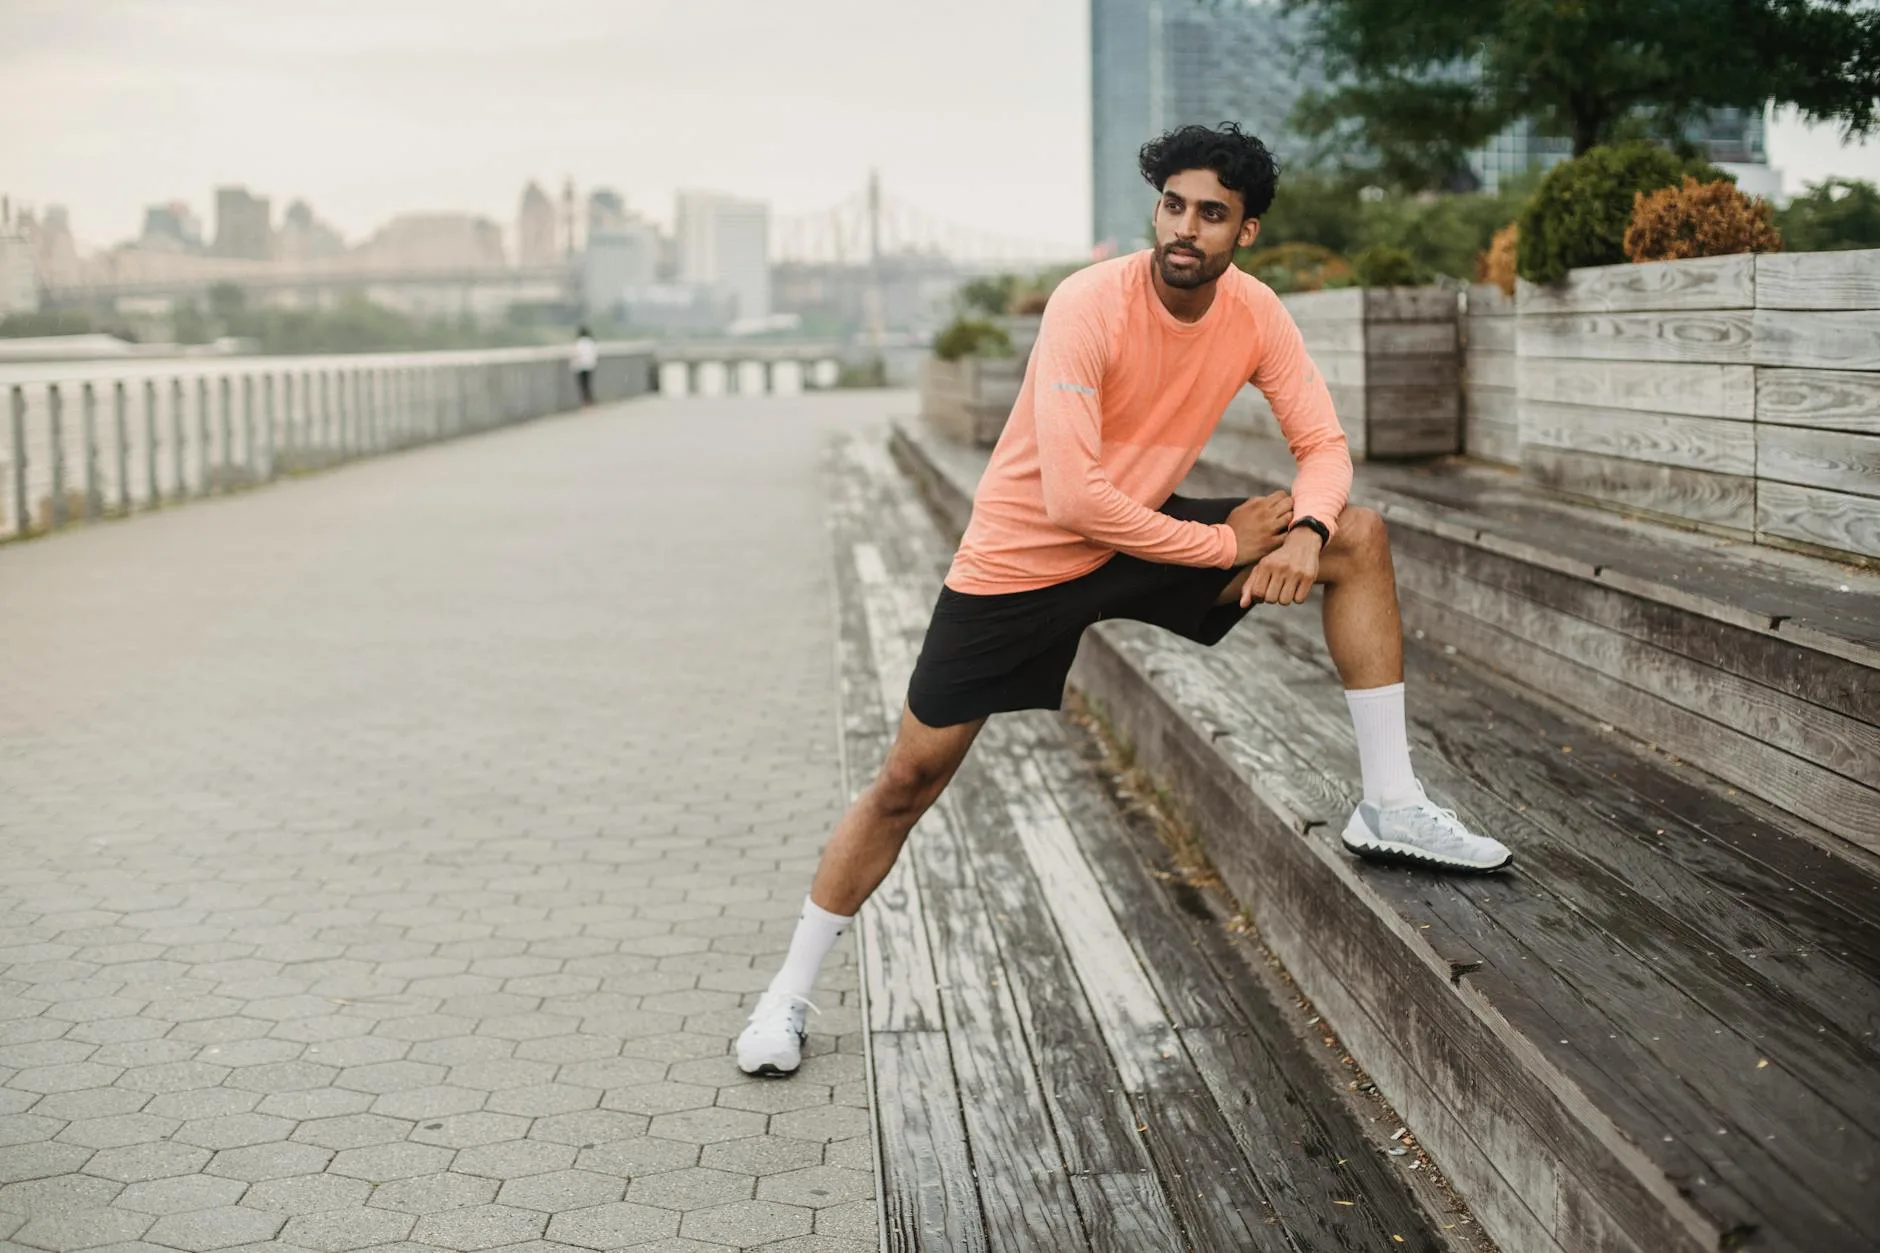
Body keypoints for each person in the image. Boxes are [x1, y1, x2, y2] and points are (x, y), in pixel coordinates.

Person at [736, 123, 1513, 1078]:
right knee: (910, 777)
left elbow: (1324, 446)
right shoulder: (1087, 304)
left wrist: (1307, 532)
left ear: (1247, 232)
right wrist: (1227, 544)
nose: (1187, 228)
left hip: (1141, 533)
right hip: (1022, 558)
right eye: (1174, 205)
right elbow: (1072, 498)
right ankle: (787, 994)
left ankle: (1391, 803)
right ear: (1157, 207)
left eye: (1213, 214)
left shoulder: (1257, 314)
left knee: (1359, 536)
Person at [572, 326, 598, 406]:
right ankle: (589, 400)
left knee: (582, 384)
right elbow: (594, 354)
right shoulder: (591, 342)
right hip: (590, 366)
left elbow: (576, 354)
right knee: (588, 383)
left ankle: (585, 401)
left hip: (581, 366)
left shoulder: (579, 343)